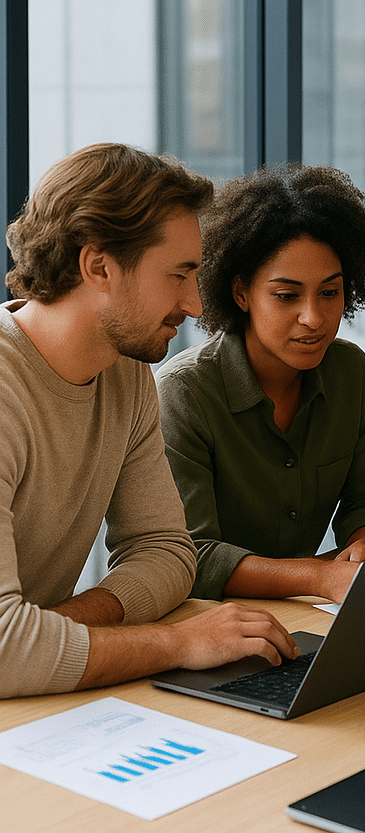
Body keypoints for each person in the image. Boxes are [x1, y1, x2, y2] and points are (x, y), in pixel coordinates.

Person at [0, 143, 298, 699]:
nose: (195, 305)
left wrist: (56, 630)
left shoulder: (123, 371)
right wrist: (177, 644)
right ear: (99, 267)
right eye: (178, 276)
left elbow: (166, 552)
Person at [157, 164, 365, 603]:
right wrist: (319, 578)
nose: (314, 318)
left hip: (309, 612)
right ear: (241, 293)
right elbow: (193, 556)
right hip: (207, 621)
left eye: (330, 292)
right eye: (287, 296)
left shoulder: (349, 371)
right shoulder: (184, 393)